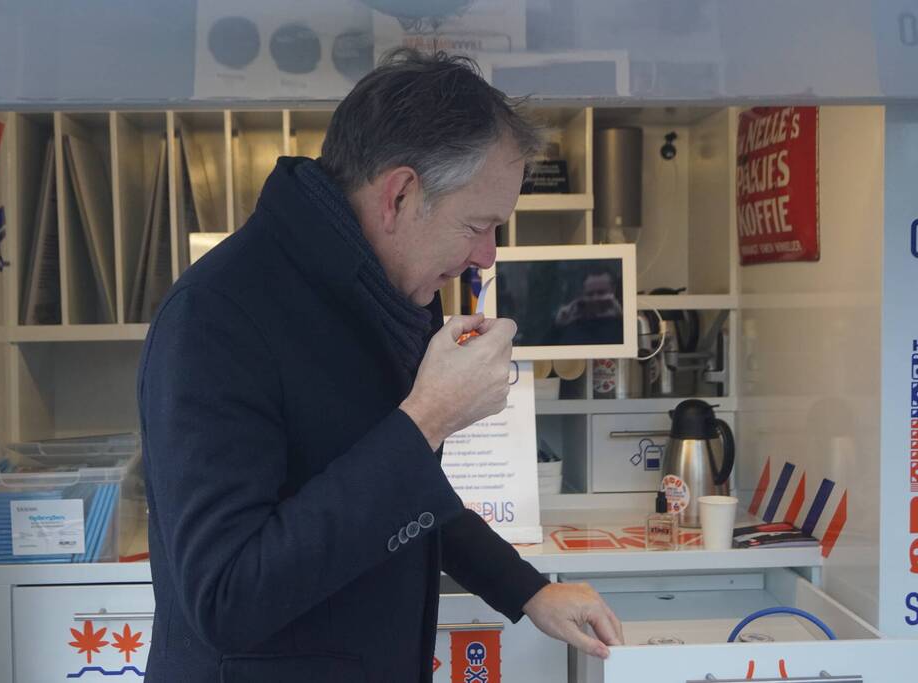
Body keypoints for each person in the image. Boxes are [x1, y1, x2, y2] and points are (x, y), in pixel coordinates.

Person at [138, 49, 623, 683]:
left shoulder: (389, 293)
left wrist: (524, 588)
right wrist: (427, 418)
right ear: (398, 194)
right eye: (478, 225)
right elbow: (227, 597)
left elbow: (401, 496)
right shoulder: (215, 317)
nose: (487, 256)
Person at [549, 266, 624, 345]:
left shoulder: (622, 322)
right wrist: (557, 327)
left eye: (601, 293)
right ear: (583, 294)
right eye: (590, 294)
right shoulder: (572, 325)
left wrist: (621, 319)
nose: (595, 298)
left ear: (613, 290)